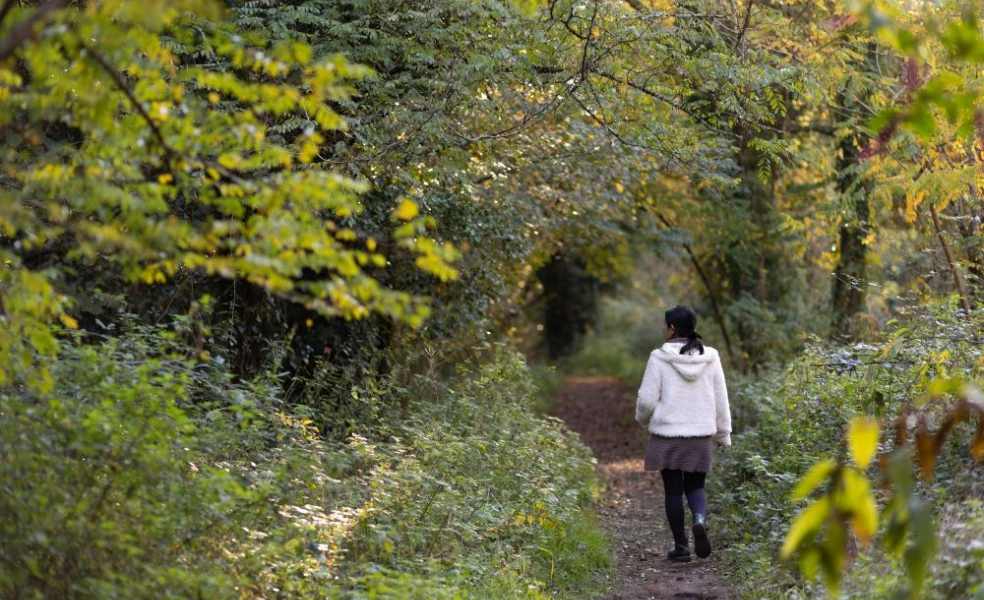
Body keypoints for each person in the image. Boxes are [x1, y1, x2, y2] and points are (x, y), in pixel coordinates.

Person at [635, 305, 731, 562]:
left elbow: (646, 401)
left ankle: (681, 547)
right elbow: (721, 399)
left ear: (672, 328)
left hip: (667, 435)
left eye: (664, 324)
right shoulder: (710, 357)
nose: (662, 328)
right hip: (699, 435)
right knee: (696, 486)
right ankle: (699, 520)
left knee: (673, 491)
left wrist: (642, 420)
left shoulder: (659, 357)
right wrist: (723, 434)